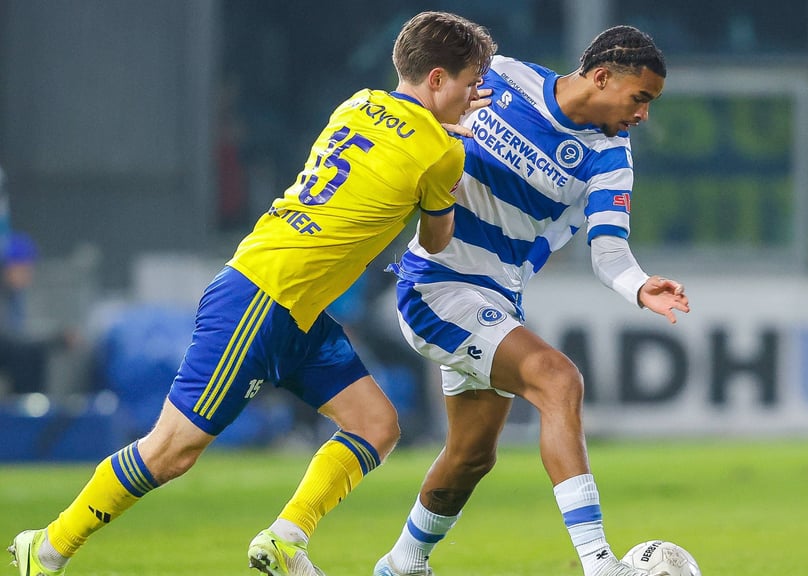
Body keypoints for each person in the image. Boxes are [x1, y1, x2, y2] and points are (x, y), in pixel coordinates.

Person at [7, 11, 496, 576]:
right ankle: (47, 547)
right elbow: (435, 241)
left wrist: (442, 134)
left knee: (375, 425)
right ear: (436, 78)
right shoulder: (442, 153)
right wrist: (453, 166)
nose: (473, 97)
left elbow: (392, 150)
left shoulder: (357, 104)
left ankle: (286, 540)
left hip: (295, 305)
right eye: (469, 83)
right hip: (264, 296)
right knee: (171, 450)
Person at [374, 26, 691, 576]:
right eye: (640, 98)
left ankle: (403, 563)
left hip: (496, 299)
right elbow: (424, 106)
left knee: (471, 456)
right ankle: (600, 565)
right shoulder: (502, 78)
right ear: (601, 77)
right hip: (436, 282)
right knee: (558, 379)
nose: (644, 115)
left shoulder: (610, 157)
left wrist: (639, 285)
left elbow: (609, 252)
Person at [0, 232, 77, 396]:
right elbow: (9, 341)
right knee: (29, 355)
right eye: (25, 268)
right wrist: (54, 339)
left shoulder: (13, 296)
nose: (29, 275)